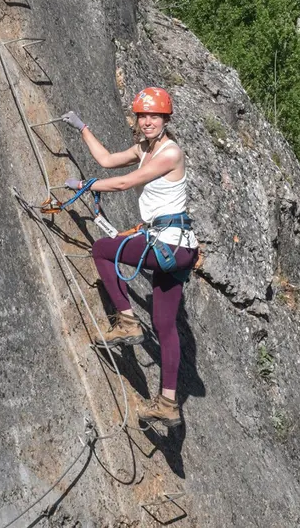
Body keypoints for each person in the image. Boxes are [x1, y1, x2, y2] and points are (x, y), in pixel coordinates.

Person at [60, 87, 198, 427]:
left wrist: (86, 186)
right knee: (165, 324)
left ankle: (125, 320)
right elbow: (107, 160)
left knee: (103, 251)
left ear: (166, 119)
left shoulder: (170, 152)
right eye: (142, 116)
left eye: (154, 116)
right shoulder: (145, 149)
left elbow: (124, 183)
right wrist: (82, 127)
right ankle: (168, 403)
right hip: (176, 246)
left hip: (171, 243)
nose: (147, 121)